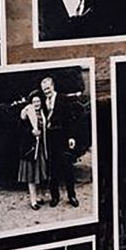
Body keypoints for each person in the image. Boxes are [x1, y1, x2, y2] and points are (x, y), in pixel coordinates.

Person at [41, 76, 79, 208]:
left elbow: (70, 119)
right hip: (50, 140)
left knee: (68, 169)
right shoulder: (42, 102)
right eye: (44, 89)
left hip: (63, 139)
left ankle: (72, 196)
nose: (46, 91)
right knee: (53, 170)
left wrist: (71, 137)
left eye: (48, 88)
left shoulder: (63, 98)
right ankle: (55, 197)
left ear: (53, 86)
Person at [18, 92, 49, 210]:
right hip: (30, 148)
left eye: (38, 101)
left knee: (39, 174)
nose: (37, 103)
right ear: (31, 102)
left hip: (41, 147)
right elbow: (20, 128)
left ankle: (39, 197)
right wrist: (31, 132)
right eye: (34, 101)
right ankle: (33, 201)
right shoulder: (26, 113)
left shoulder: (42, 113)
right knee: (31, 175)